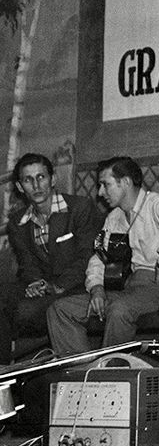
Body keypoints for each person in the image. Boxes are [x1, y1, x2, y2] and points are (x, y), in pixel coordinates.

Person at [47, 156, 159, 355]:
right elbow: (98, 257)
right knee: (60, 309)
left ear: (125, 182)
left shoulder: (158, 203)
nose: (100, 193)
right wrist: (97, 288)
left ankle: (109, 373)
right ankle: (84, 372)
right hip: (133, 290)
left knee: (120, 309)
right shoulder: (114, 217)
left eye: (105, 185)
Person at [1, 153, 102, 363]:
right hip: (44, 287)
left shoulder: (79, 208)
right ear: (20, 187)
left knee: (25, 312)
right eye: (28, 180)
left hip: (76, 286)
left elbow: (87, 255)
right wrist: (35, 283)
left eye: (41, 177)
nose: (36, 185)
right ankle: (3, 374)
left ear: (53, 179)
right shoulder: (18, 222)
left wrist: (57, 286)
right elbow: (27, 263)